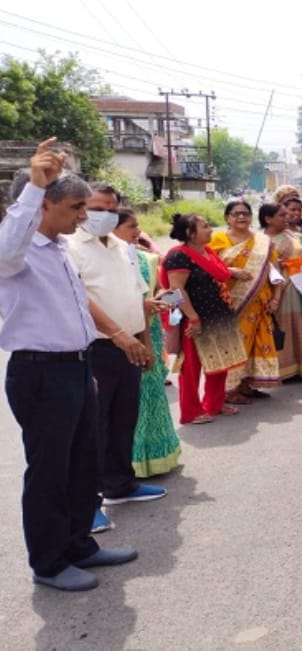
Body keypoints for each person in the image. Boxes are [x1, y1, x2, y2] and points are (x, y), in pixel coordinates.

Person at [0, 139, 137, 591]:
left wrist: (86, 365)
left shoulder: (57, 248)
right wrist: (33, 187)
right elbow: (7, 249)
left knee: (83, 462)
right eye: (77, 206)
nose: (84, 216)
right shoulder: (15, 254)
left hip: (74, 368)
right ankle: (49, 562)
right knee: (50, 470)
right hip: (40, 372)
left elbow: (76, 310)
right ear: (42, 206)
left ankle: (79, 544)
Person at [68, 184, 168, 535]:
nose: (105, 214)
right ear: (81, 208)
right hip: (98, 346)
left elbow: (137, 295)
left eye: (112, 208)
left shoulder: (122, 247)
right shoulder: (71, 246)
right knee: (93, 429)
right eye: (97, 207)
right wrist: (118, 335)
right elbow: (81, 299)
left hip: (130, 345)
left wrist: (143, 340)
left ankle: (120, 484)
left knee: (124, 418)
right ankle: (87, 503)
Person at [112, 209, 182, 478]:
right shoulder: (106, 262)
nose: (138, 231)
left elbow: (157, 294)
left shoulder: (147, 259)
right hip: (125, 336)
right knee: (133, 401)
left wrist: (161, 299)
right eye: (132, 226)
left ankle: (159, 455)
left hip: (151, 331)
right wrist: (143, 306)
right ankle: (132, 463)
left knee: (153, 393)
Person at [163, 213, 246, 425]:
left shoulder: (207, 252)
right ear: (190, 233)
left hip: (218, 316)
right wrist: (193, 317)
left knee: (221, 361)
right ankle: (191, 411)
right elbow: (175, 290)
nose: (211, 230)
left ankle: (214, 404)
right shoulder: (178, 256)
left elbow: (221, 274)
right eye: (205, 226)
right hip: (195, 319)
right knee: (191, 367)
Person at [209, 200, 282, 404]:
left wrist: (276, 297)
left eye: (245, 213)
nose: (241, 217)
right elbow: (206, 267)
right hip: (230, 303)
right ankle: (229, 390)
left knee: (258, 343)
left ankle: (247, 384)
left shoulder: (262, 241)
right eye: (236, 214)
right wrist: (230, 271)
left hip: (260, 302)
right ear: (227, 218)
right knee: (236, 345)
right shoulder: (216, 239)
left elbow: (275, 271)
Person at [260, 203, 302, 377]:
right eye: (281, 215)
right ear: (268, 219)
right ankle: (283, 370)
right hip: (278, 290)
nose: (287, 218)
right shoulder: (260, 242)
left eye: (286, 214)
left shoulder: (295, 236)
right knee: (283, 328)